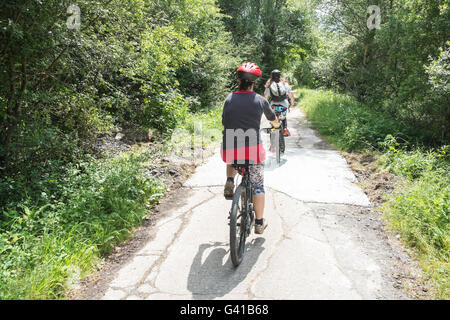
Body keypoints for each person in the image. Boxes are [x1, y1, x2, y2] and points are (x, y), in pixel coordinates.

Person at [221, 62, 281, 234]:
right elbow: (273, 119)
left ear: (238, 81)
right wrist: (276, 127)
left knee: (232, 148)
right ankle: (260, 223)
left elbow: (225, 125)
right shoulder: (260, 100)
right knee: (258, 186)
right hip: (253, 151)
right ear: (254, 83)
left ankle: (230, 181)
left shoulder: (229, 99)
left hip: (230, 148)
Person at [264, 70, 295, 137]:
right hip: (284, 105)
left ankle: (273, 132)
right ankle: (285, 129)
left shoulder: (269, 85)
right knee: (283, 117)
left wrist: (265, 107)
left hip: (273, 106)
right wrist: (292, 104)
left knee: (273, 120)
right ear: (280, 76)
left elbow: (265, 98)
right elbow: (291, 95)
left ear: (271, 76)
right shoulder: (285, 84)